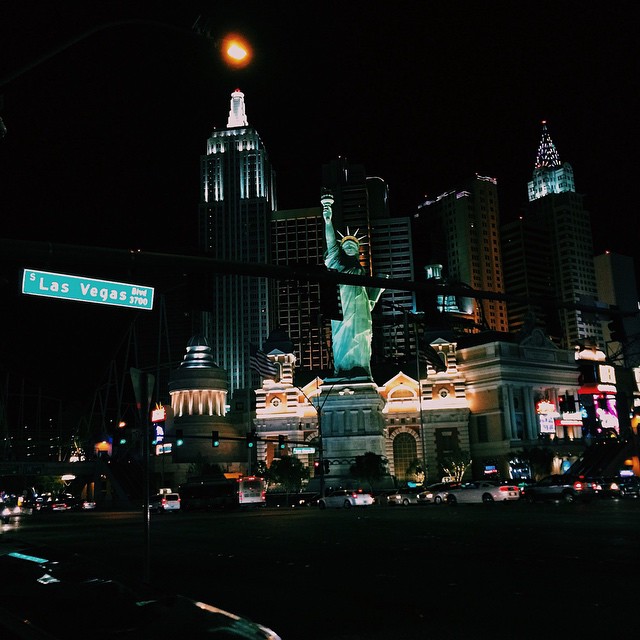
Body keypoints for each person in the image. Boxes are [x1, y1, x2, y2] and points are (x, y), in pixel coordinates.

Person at [321, 190, 385, 379]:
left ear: (358, 251)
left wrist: (378, 290)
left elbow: (369, 302)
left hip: (362, 314)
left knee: (363, 337)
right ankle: (342, 370)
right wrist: (328, 220)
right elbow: (330, 241)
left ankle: (361, 368)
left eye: (353, 246)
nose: (349, 246)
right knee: (342, 339)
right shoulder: (337, 263)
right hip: (343, 310)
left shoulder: (360, 271)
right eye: (346, 245)